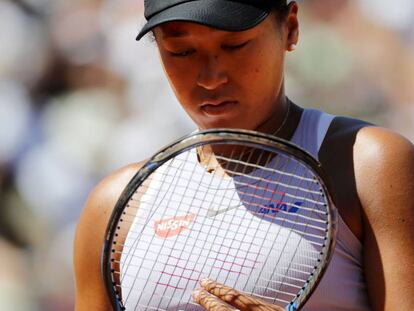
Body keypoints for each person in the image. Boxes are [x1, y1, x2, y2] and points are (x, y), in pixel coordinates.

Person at [73, 0, 414, 310]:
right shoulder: (114, 207)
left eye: (235, 45)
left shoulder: (369, 166)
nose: (211, 77)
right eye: (181, 52)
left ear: (291, 28)